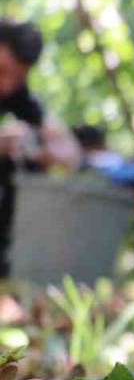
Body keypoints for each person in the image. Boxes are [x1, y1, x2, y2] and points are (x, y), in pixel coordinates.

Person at [0, 19, 81, 276]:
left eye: (17, 77)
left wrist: (45, 152)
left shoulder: (15, 94)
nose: (6, 85)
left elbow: (70, 149)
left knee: (22, 162)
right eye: (1, 71)